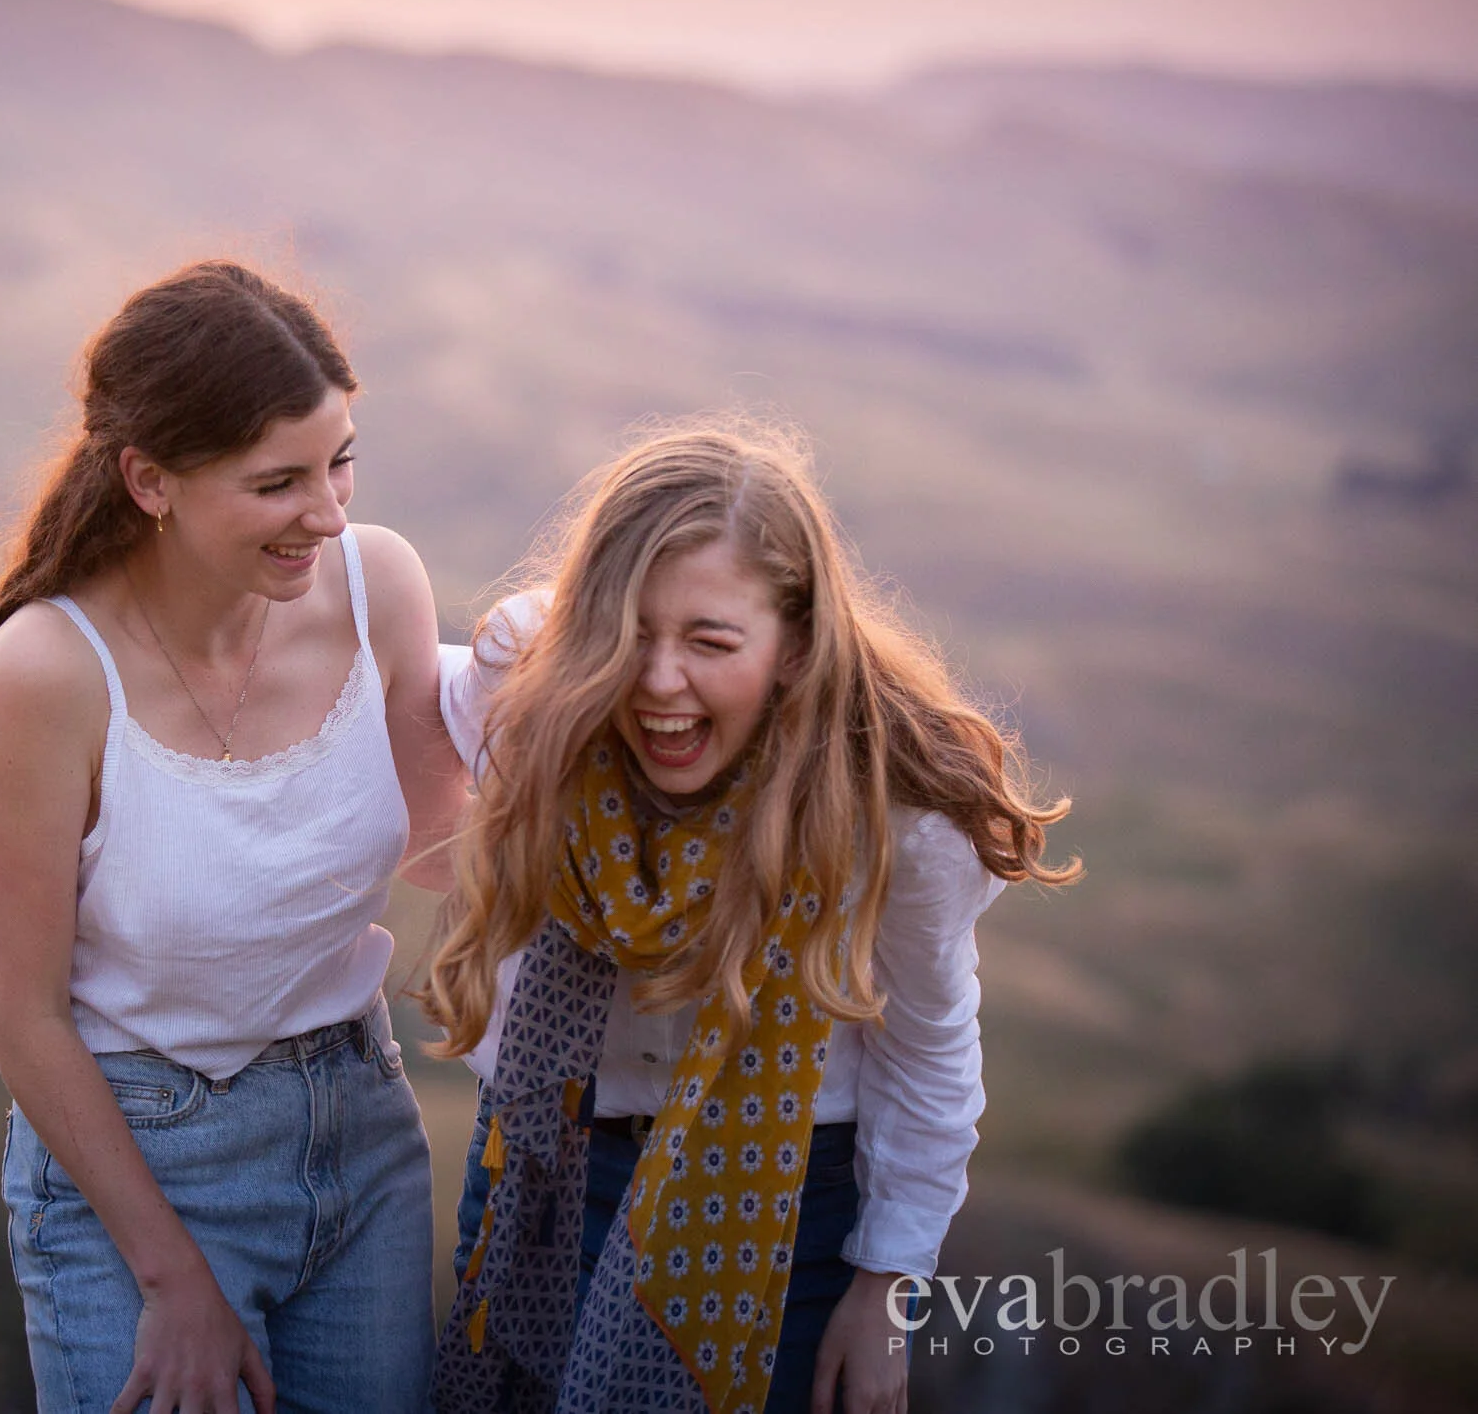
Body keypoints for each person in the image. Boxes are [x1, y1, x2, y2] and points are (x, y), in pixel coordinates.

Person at [418, 420, 1076, 1414]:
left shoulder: (896, 803)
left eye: (710, 641)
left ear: (796, 642)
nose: (657, 679)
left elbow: (928, 1048)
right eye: (629, 632)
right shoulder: (529, 683)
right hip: (544, 1175)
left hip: (787, 1213)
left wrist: (884, 1287)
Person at [0, 261, 463, 1414]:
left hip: (361, 1133)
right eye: (277, 482)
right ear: (150, 480)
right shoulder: (45, 670)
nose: (328, 513)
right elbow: (22, 1014)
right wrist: (171, 1276)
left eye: (339, 462)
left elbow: (447, 848)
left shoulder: (378, 585)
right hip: (134, 1164)